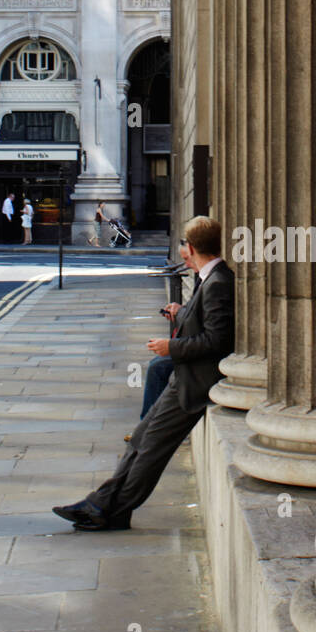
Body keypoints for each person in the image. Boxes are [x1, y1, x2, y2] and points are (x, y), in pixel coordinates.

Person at [53, 216, 234, 531]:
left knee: (152, 449)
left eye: (183, 247)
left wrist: (170, 348)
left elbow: (217, 341)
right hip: (184, 377)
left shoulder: (218, 282)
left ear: (190, 247)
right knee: (139, 439)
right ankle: (103, 505)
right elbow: (205, 323)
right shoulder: (209, 277)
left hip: (195, 383)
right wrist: (182, 313)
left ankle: (110, 509)